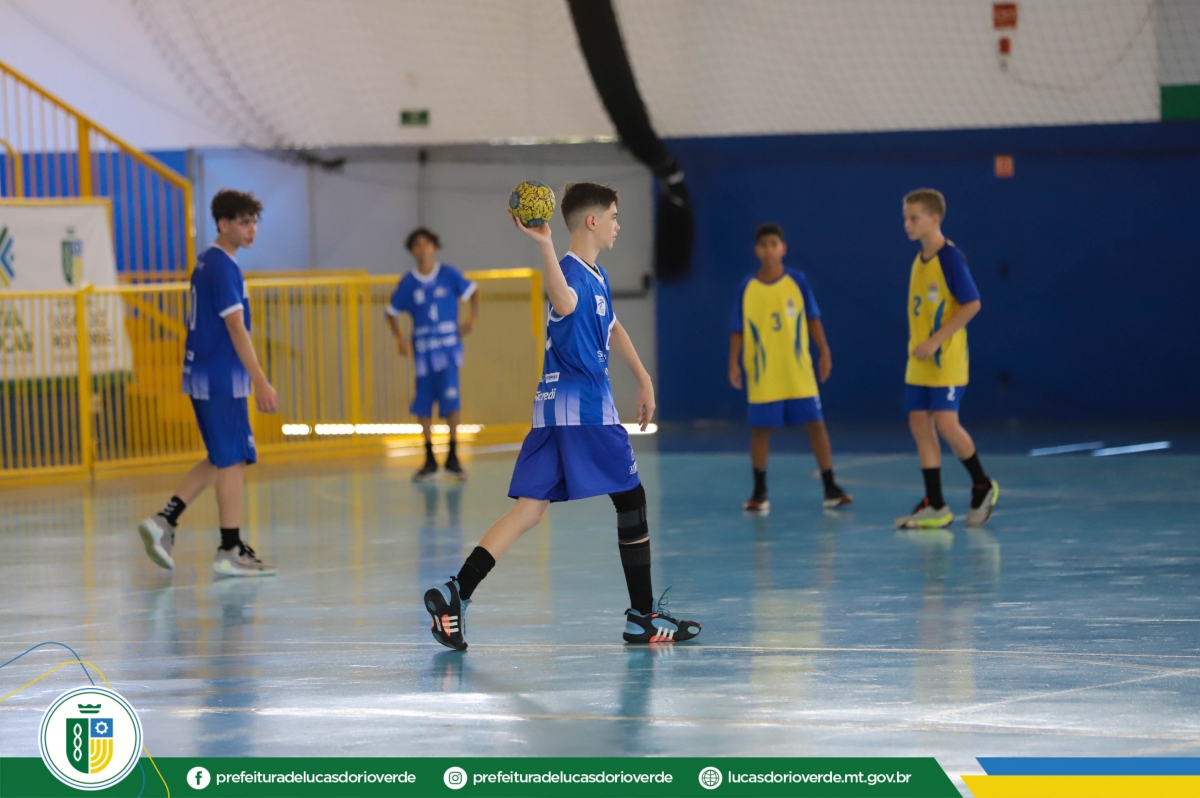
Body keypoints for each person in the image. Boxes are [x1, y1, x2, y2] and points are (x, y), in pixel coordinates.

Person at [421, 182, 701, 650]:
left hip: (551, 411)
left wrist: (643, 377)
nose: (618, 225)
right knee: (631, 501)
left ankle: (455, 593)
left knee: (528, 511)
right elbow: (563, 300)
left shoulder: (596, 274)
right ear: (592, 221)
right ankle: (642, 618)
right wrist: (545, 245)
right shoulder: (567, 272)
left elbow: (612, 327)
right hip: (586, 410)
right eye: (613, 216)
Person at [138, 189, 279, 576]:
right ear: (223, 224)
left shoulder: (206, 262)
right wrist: (261, 381)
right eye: (244, 222)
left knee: (221, 456)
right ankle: (229, 549)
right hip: (221, 377)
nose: (251, 229)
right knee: (233, 460)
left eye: (254, 222)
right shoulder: (223, 267)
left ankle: (165, 520)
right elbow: (235, 326)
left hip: (202, 375)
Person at [728, 224, 853, 514]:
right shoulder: (747, 287)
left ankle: (830, 487)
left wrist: (824, 351)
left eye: (774, 244)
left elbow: (812, 318)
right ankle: (759, 491)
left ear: (783, 248)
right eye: (764, 245)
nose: (769, 250)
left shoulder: (797, 281)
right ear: (756, 251)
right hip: (763, 371)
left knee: (816, 424)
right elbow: (737, 328)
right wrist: (733, 362)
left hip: (798, 370)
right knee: (761, 429)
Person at [894, 189, 999, 529]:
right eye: (905, 218)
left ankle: (982, 484)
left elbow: (972, 303)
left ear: (934, 218)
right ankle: (935, 504)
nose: (907, 224)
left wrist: (935, 341)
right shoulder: (918, 260)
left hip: (945, 360)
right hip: (919, 360)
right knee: (919, 424)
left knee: (946, 424)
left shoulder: (950, 258)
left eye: (914, 218)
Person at [386, 228, 479, 481]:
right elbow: (391, 311)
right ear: (412, 250)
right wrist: (399, 338)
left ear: (434, 247)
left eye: (427, 243)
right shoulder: (408, 283)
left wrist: (470, 320)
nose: (423, 249)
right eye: (417, 244)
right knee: (423, 403)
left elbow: (473, 292)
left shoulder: (449, 275)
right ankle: (429, 458)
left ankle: (453, 457)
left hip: (447, 352)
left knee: (452, 402)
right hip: (423, 355)